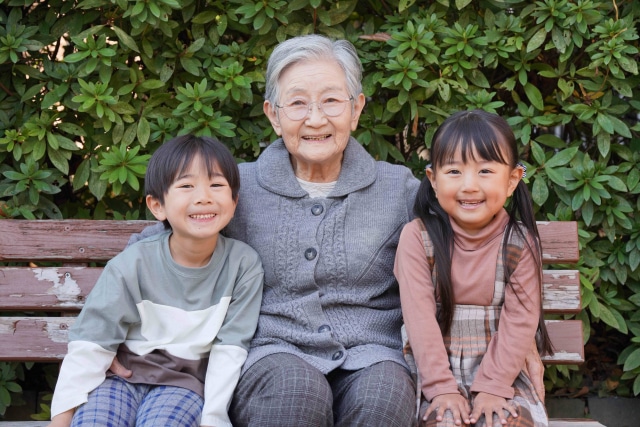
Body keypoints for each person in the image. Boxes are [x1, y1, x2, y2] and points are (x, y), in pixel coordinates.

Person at [119, 34, 420, 426]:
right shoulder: (237, 187)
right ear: (273, 116)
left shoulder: (398, 188)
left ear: (356, 109)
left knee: (384, 396)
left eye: (331, 100)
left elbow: (463, 244)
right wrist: (107, 331)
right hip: (270, 352)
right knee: (295, 392)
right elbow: (155, 246)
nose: (315, 118)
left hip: (372, 352)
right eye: (297, 103)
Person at [48, 135, 264, 427]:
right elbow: (92, 341)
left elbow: (230, 351)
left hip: (183, 385)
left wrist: (213, 419)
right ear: (157, 205)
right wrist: (60, 420)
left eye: (216, 185)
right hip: (120, 377)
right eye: (186, 186)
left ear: (234, 201)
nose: (203, 197)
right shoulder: (132, 263)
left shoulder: (243, 265)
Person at [394, 110, 553, 427]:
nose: (469, 185)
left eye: (485, 171)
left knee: (504, 422)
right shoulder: (417, 238)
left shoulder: (520, 244)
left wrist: (493, 387)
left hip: (502, 369)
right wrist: (440, 389)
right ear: (433, 180)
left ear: (511, 180)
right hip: (433, 370)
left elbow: (520, 322)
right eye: (453, 171)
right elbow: (420, 321)